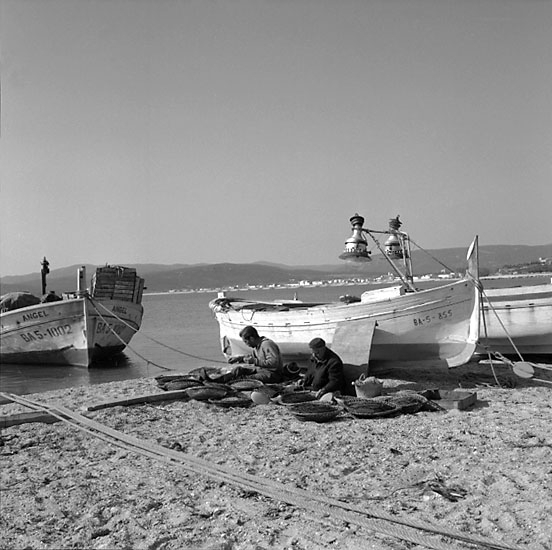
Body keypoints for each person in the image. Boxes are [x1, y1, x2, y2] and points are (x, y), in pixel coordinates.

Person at [204, 326, 284, 384]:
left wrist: (254, 361)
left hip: (272, 374)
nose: (246, 344)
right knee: (238, 370)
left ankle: (223, 383)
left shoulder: (267, 344)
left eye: (246, 341)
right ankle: (217, 381)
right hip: (260, 370)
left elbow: (274, 363)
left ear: (252, 338)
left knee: (244, 378)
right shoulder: (256, 346)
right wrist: (239, 359)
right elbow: (251, 357)